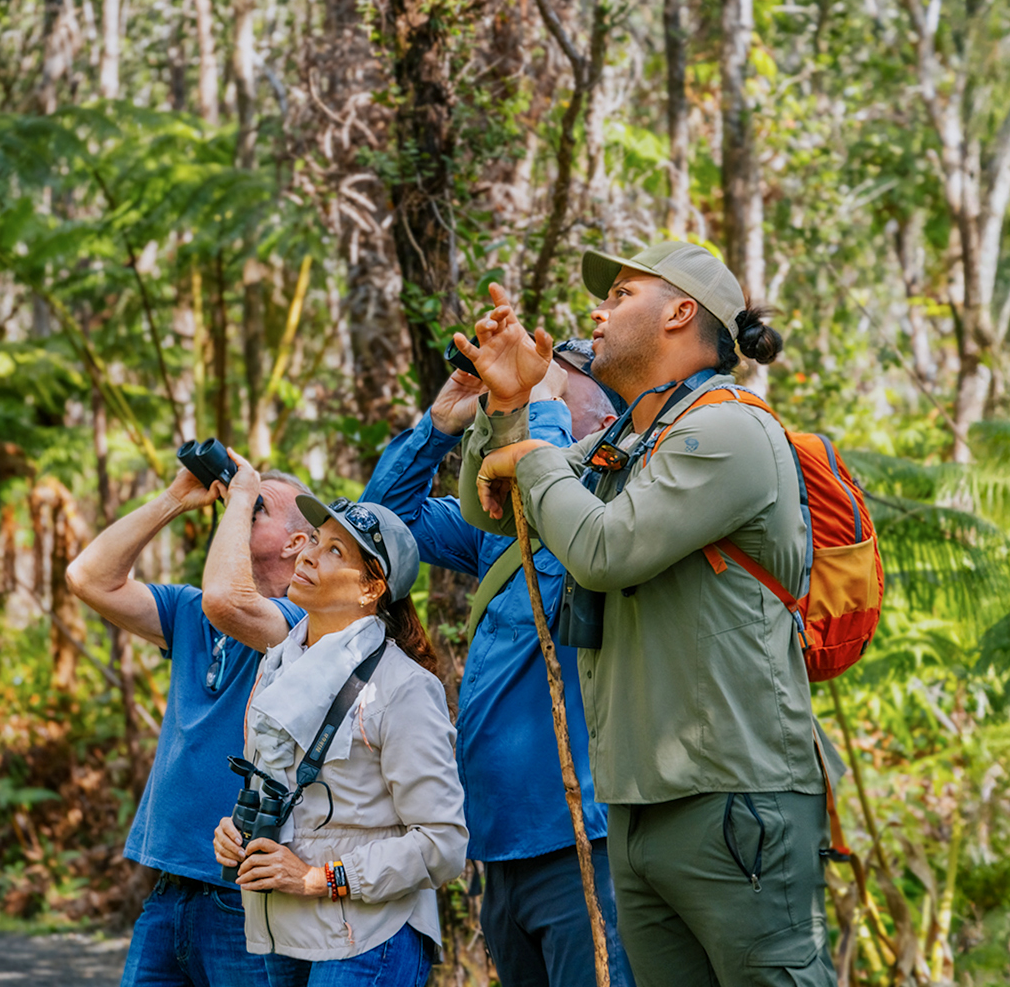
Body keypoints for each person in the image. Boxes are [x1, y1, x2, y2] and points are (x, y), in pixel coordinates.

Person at [454, 245, 839, 987]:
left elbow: (604, 549)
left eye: (622, 294)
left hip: (735, 796)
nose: (597, 313)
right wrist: (506, 410)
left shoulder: (728, 430)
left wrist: (531, 451)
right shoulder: (626, 443)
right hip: (633, 802)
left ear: (680, 312)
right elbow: (493, 513)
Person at [360, 347, 635, 987]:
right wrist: (441, 425)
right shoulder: (499, 529)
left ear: (601, 415)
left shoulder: (617, 512)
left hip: (582, 844)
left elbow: (575, 518)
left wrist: (540, 408)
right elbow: (380, 530)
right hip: (499, 848)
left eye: (551, 395)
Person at [206, 455, 467, 987]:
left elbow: (442, 844)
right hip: (282, 933)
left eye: (334, 551)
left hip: (368, 939)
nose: (307, 553)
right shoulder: (280, 663)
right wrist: (233, 832)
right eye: (312, 539)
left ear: (371, 589)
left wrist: (318, 878)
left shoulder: (404, 688)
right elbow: (286, 795)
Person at [66, 463, 315, 987]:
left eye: (259, 508)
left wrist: (244, 488)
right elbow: (87, 578)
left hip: (248, 898)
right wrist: (174, 500)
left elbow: (230, 602)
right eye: (244, 501)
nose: (241, 507)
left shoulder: (301, 625)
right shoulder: (190, 613)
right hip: (168, 893)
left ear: (296, 543)